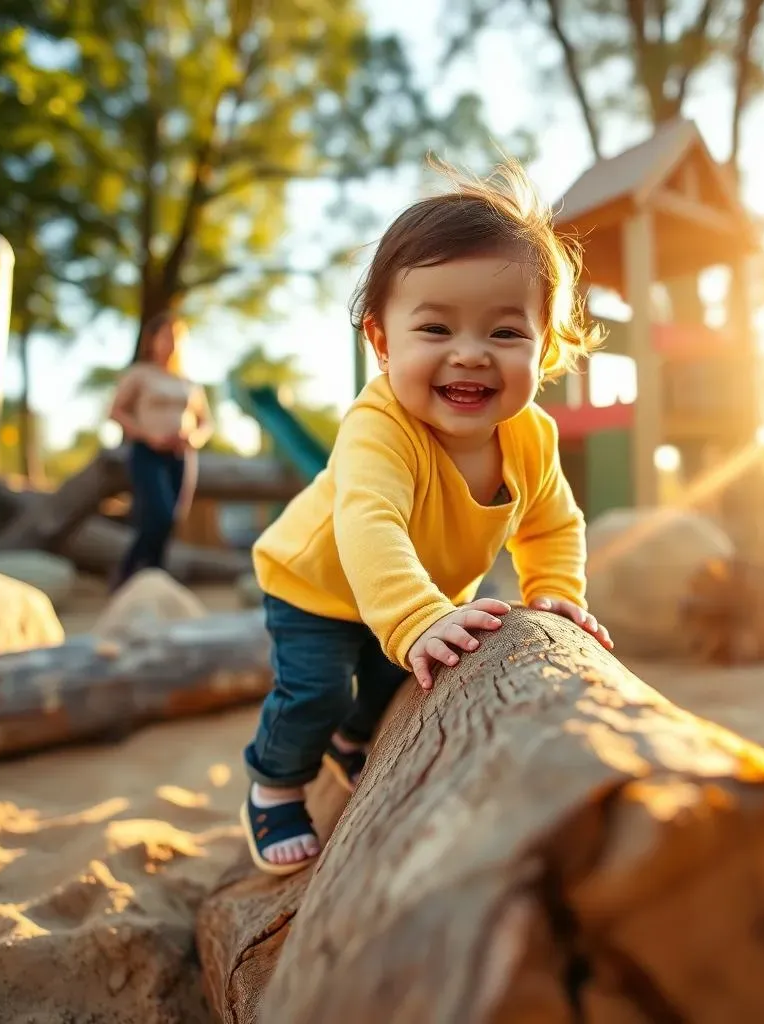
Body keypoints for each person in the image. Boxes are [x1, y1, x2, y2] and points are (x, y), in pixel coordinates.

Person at [240, 158, 614, 876]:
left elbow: (552, 522)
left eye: (505, 334)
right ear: (383, 343)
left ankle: (356, 737)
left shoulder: (530, 437)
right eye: (436, 328)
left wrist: (555, 591)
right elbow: (369, 525)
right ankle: (274, 783)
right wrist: (414, 619)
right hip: (317, 584)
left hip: (412, 595)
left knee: (390, 690)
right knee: (318, 689)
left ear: (545, 346)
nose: (469, 354)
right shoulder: (379, 426)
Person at [108, 312, 214, 589]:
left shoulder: (189, 383)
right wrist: (148, 435)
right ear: (152, 340)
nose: (171, 343)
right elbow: (116, 411)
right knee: (158, 512)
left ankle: (153, 577)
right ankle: (128, 573)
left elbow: (206, 423)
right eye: (166, 336)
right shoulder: (140, 375)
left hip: (181, 456)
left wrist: (193, 437)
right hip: (148, 452)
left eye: (177, 337)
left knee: (173, 517)